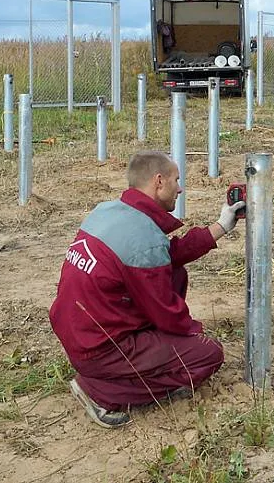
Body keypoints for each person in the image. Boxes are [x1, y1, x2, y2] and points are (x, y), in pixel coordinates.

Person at [49, 150, 245, 428]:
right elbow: (166, 311)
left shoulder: (109, 212)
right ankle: (102, 393)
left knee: (173, 272)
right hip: (101, 349)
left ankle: (110, 370)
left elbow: (166, 254)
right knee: (208, 354)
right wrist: (193, 335)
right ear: (159, 181)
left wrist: (221, 226)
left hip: (80, 334)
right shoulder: (143, 239)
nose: (181, 187)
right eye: (177, 180)